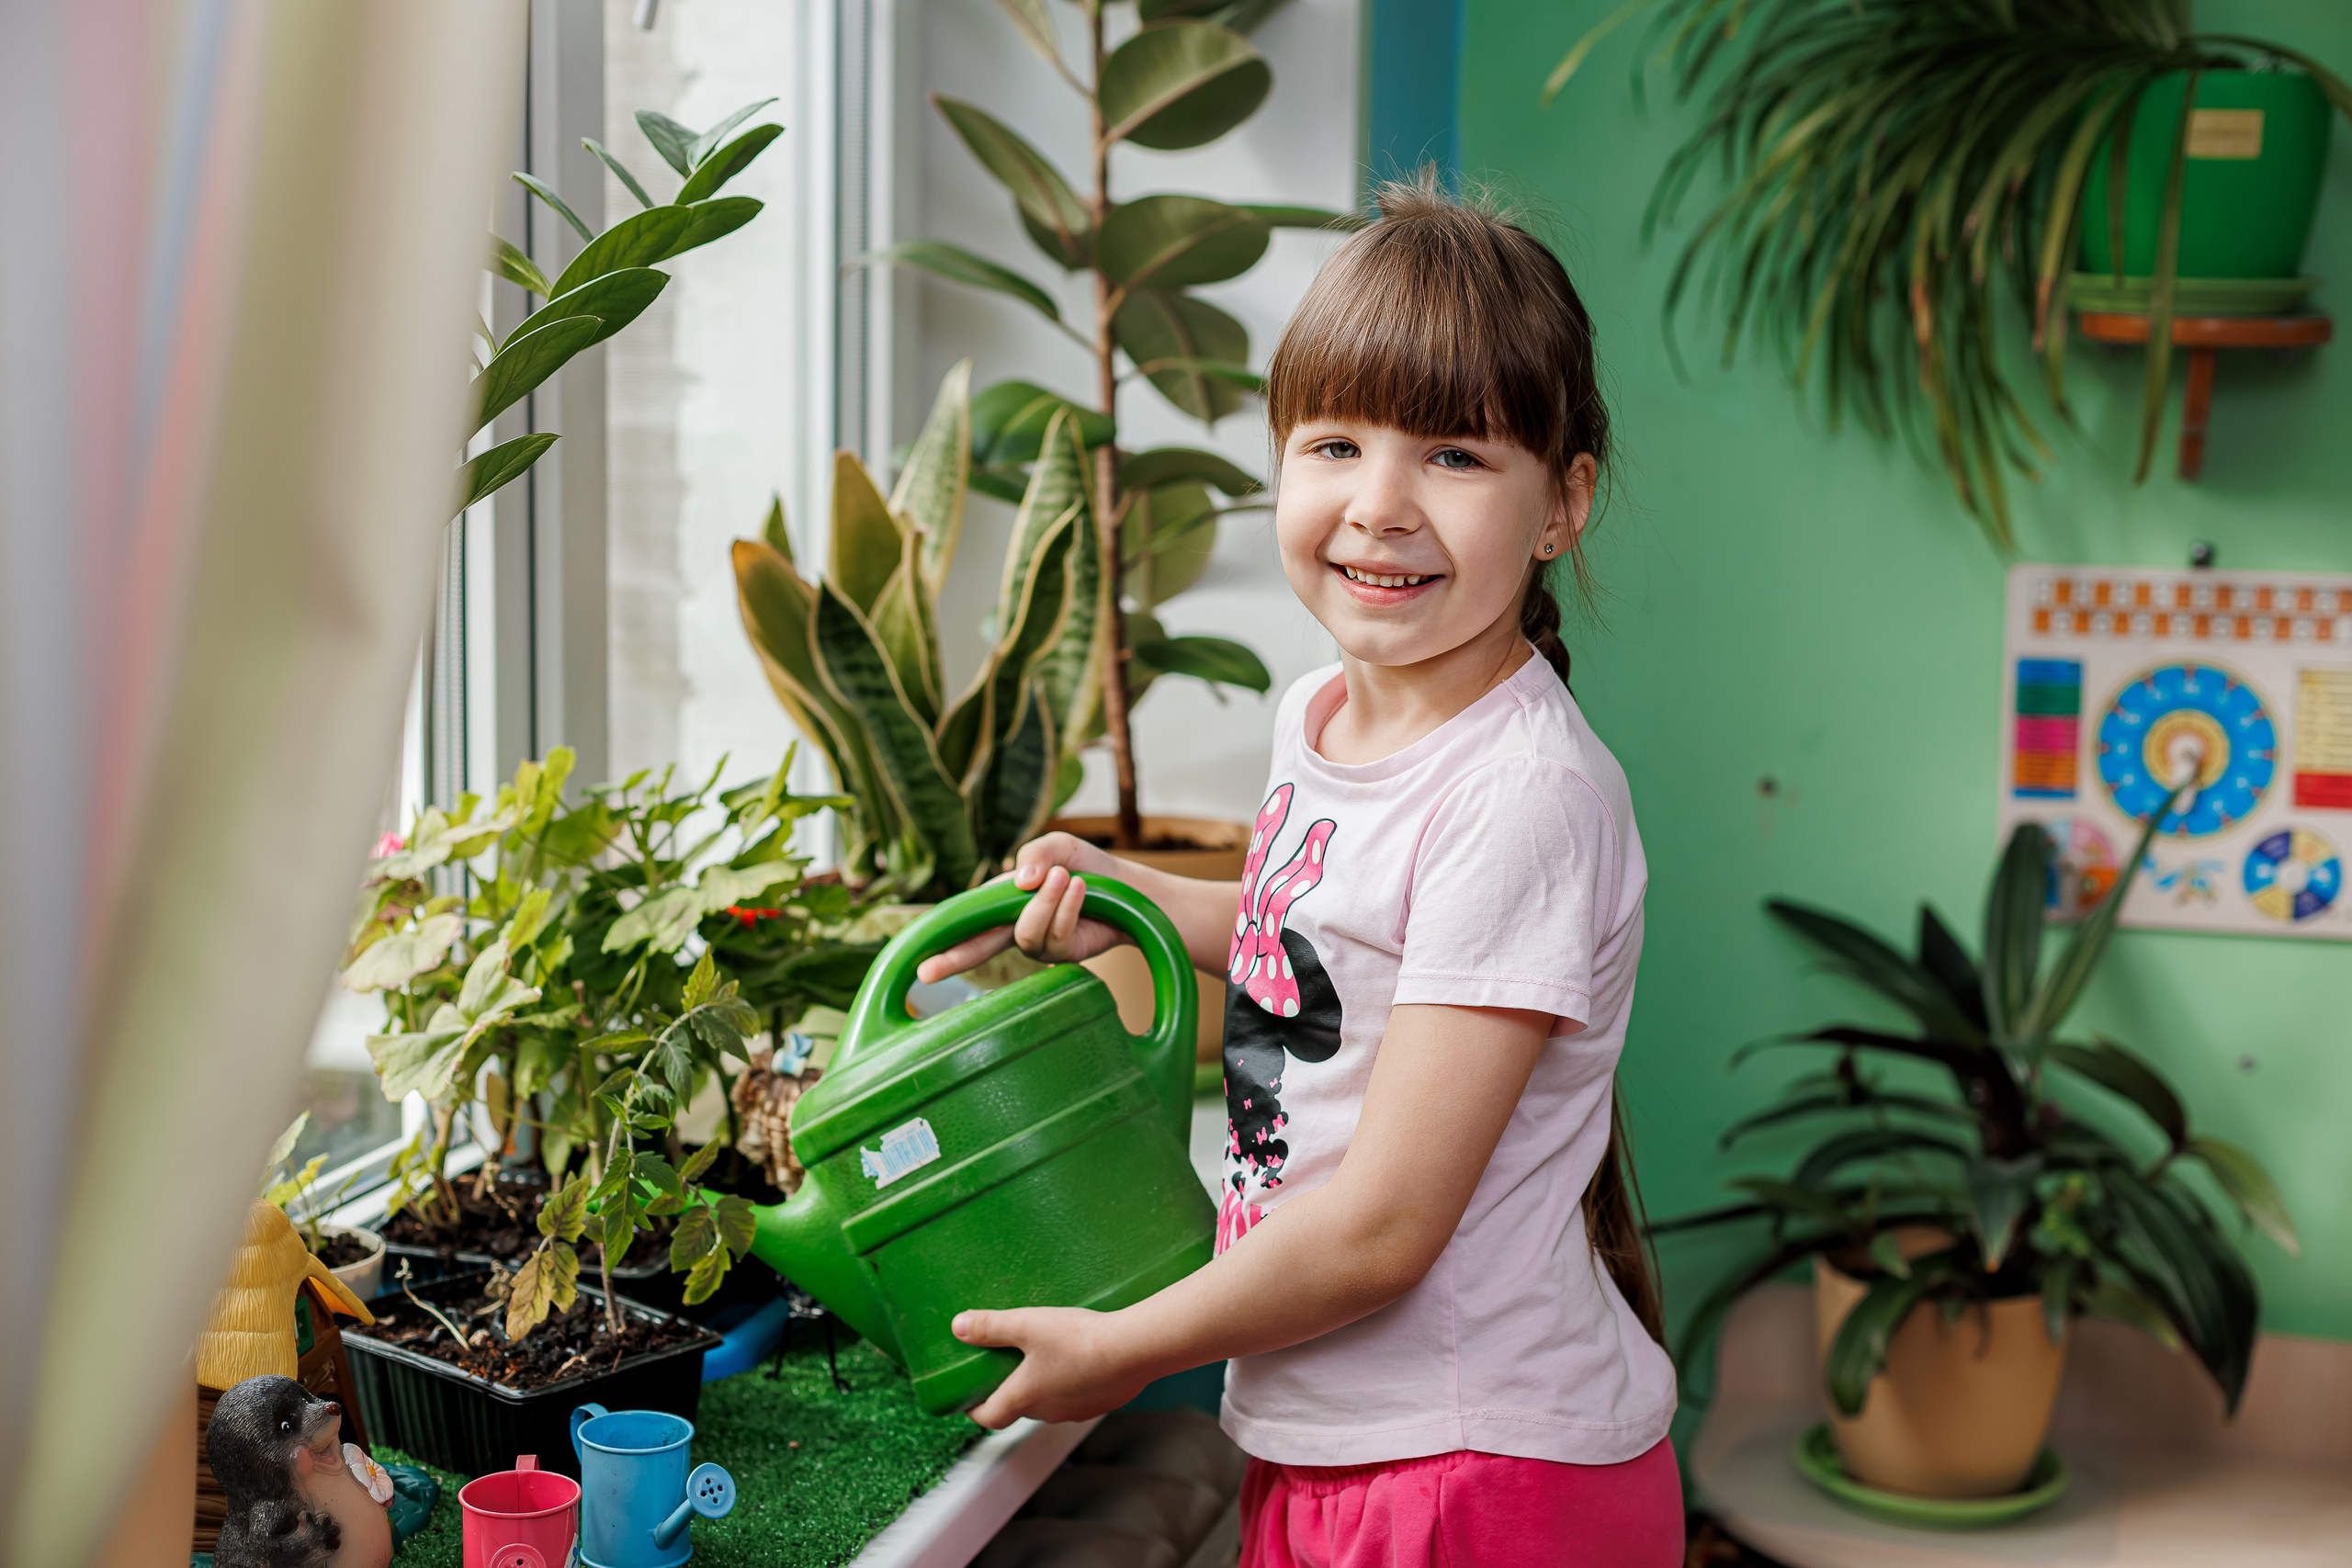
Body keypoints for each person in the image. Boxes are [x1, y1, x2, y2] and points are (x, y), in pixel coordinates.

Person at [914, 175, 1682, 1568]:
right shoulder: (1321, 714)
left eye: (1454, 456)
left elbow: (1381, 1231)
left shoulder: (1522, 799)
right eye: (1335, 443)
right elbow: (1326, 937)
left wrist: (1123, 1350)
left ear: (1562, 504)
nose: (1379, 507)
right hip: (1345, 1438)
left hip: (1471, 1474)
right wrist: (1133, 903)